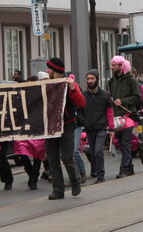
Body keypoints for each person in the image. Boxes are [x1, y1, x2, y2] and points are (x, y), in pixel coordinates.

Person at [44, 58, 86, 200]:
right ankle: (58, 190)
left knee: (67, 156)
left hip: (66, 124)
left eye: (49, 69)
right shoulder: (47, 84)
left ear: (55, 70)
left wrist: (73, 87)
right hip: (49, 126)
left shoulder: (68, 84)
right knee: (52, 158)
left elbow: (81, 102)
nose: (47, 71)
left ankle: (76, 182)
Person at [108, 56, 141, 179]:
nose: (111, 67)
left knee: (126, 143)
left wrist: (123, 101)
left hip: (128, 116)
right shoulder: (111, 82)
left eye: (114, 65)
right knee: (121, 144)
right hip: (116, 118)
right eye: (111, 65)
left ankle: (124, 169)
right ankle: (130, 167)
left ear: (121, 66)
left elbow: (137, 97)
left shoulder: (131, 80)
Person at [80, 69, 114, 184]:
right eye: (88, 79)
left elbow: (109, 112)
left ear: (97, 79)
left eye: (92, 78)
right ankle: (96, 171)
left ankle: (101, 176)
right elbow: (78, 110)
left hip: (101, 127)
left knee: (99, 150)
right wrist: (83, 121)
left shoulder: (105, 95)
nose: (90, 81)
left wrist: (112, 128)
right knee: (93, 152)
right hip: (89, 128)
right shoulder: (83, 95)